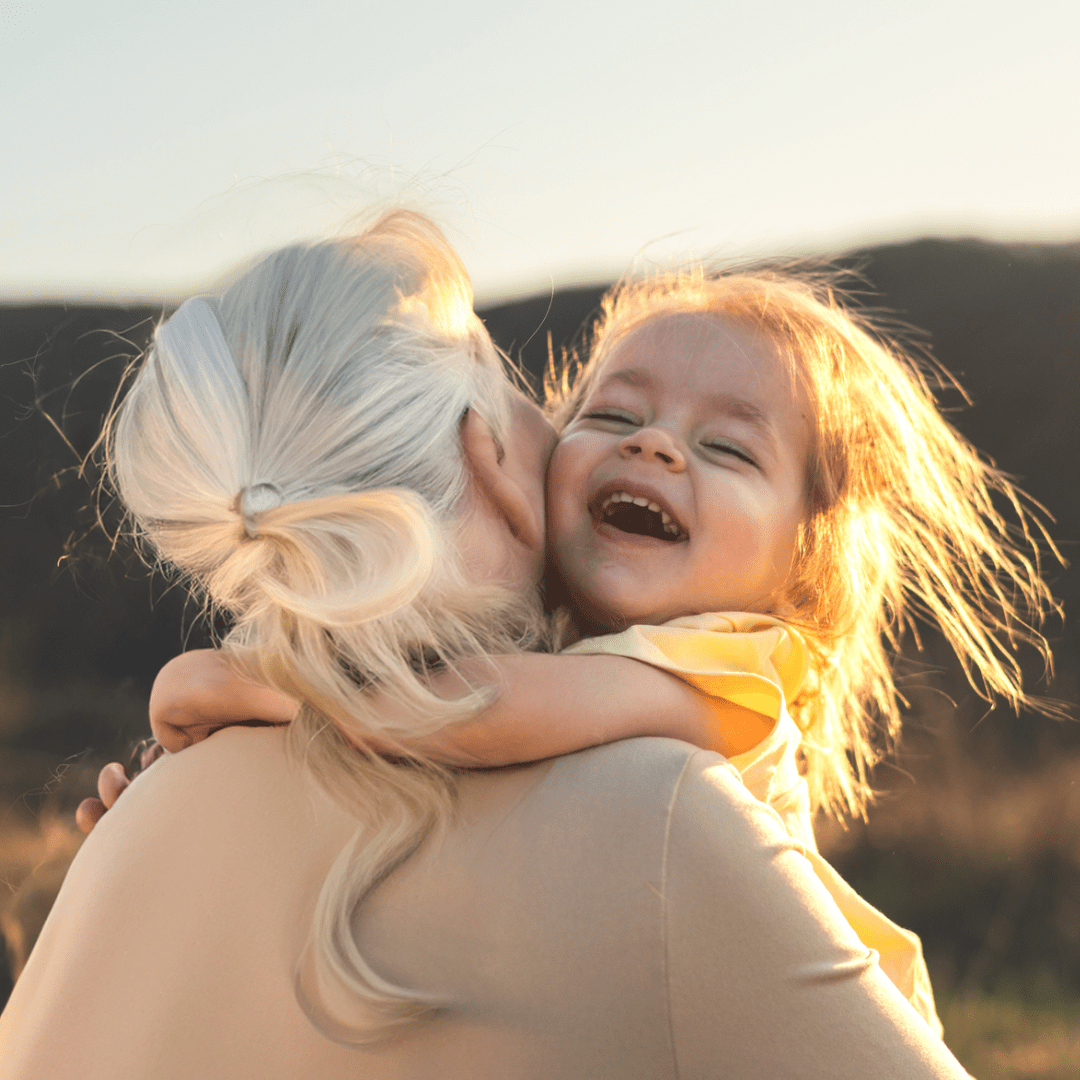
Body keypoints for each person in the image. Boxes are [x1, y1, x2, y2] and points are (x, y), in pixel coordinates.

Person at [0, 212, 984, 1077]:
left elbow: (481, 712)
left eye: (728, 447)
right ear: (510, 461)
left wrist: (258, 691)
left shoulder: (735, 670)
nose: (655, 447)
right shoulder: (604, 731)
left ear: (804, 567)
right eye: (609, 414)